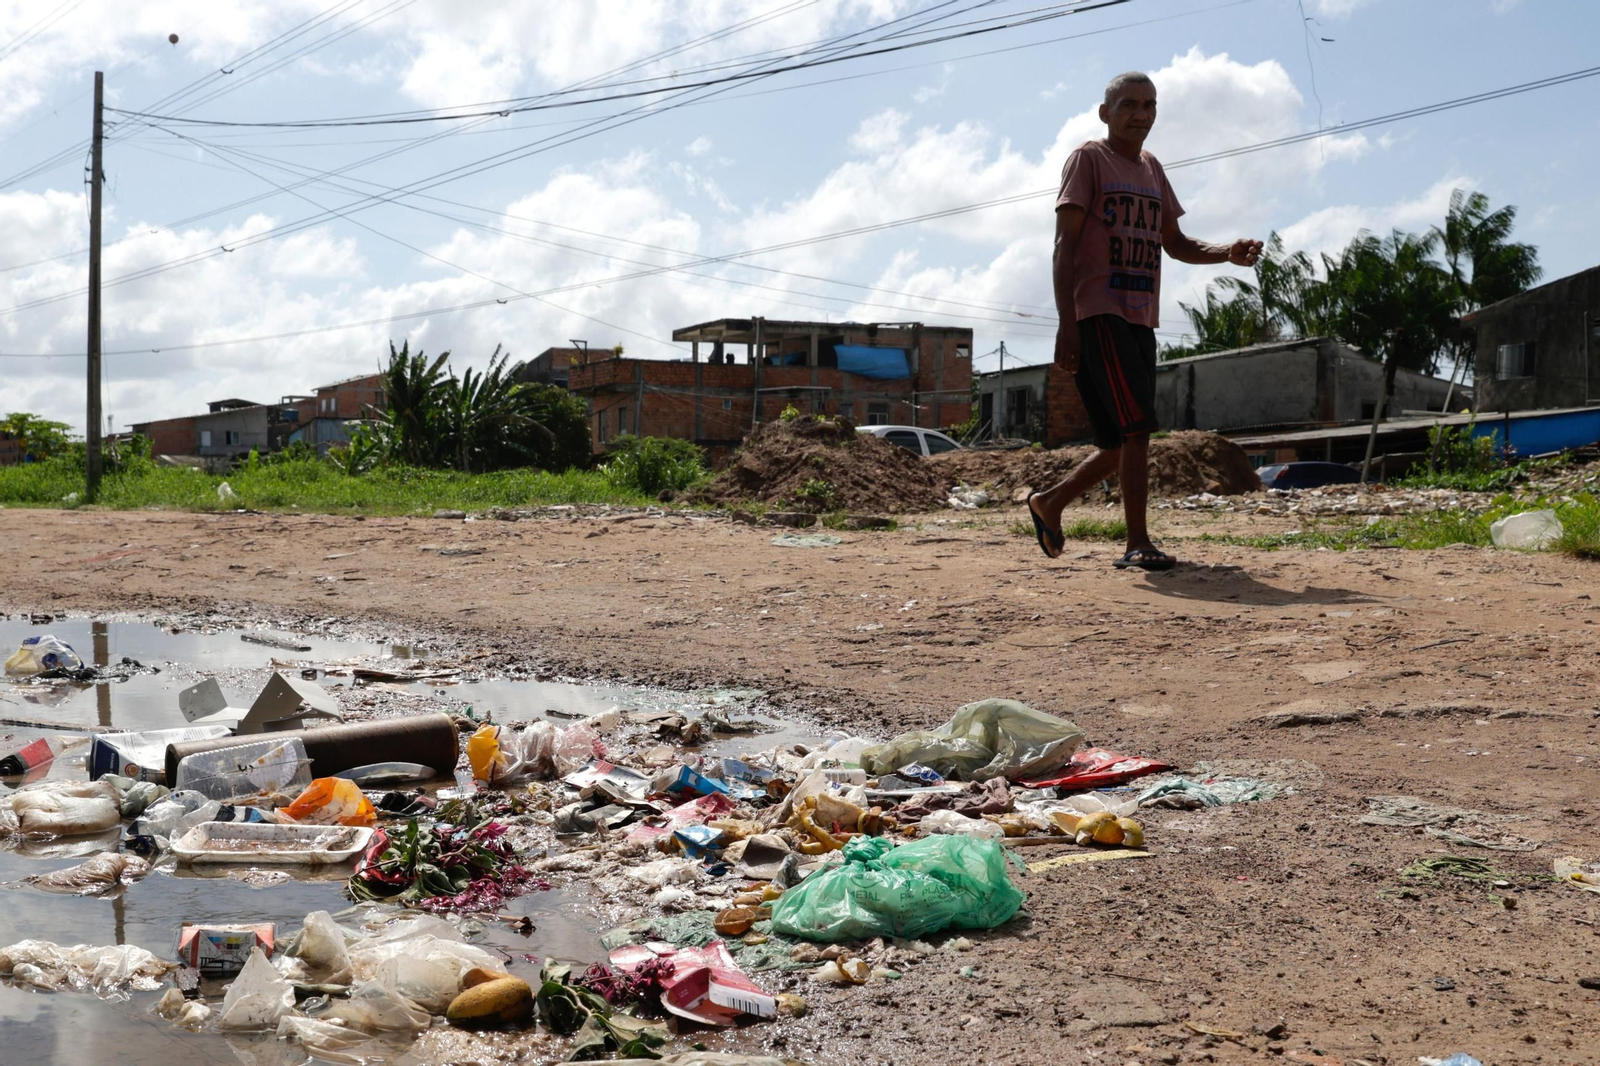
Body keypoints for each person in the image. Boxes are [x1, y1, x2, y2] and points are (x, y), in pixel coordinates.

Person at [1027, 71, 1262, 570]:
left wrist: (1227, 252)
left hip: (1141, 317)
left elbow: (1176, 243)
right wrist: (1067, 323)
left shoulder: (1152, 168)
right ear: (1105, 113)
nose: (1141, 114)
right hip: (1099, 311)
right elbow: (1064, 245)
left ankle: (1050, 502)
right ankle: (1137, 542)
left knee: (1120, 441)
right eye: (1129, 104)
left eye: (1149, 105)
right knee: (1137, 431)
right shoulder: (1088, 159)